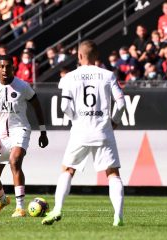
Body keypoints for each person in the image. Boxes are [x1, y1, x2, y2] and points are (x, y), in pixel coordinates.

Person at [42, 40, 126, 227]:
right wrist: (114, 122)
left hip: (80, 131)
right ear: (97, 57)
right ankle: (118, 216)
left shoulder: (69, 78)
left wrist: (76, 119)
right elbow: (121, 103)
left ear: (79, 56)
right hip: (103, 129)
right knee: (112, 174)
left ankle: (57, 209)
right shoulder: (108, 75)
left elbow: (64, 106)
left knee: (68, 170)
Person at [0, 55, 49, 218]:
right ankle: (3, 201)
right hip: (1, 135)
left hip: (20, 130)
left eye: (8, 66)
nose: (5, 70)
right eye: (2, 67)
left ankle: (20, 208)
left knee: (15, 161)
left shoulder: (23, 86)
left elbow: (37, 106)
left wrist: (43, 131)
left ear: (13, 68)